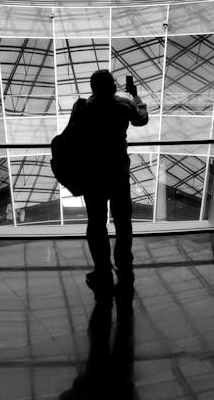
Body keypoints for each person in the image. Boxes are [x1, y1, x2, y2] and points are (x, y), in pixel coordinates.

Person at [68, 69, 148, 299]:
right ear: (112, 86)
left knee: (96, 223)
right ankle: (124, 264)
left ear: (93, 87)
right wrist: (136, 96)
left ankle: (101, 270)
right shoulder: (123, 105)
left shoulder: (82, 108)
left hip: (93, 174)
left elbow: (72, 137)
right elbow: (141, 119)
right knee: (123, 222)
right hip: (118, 171)